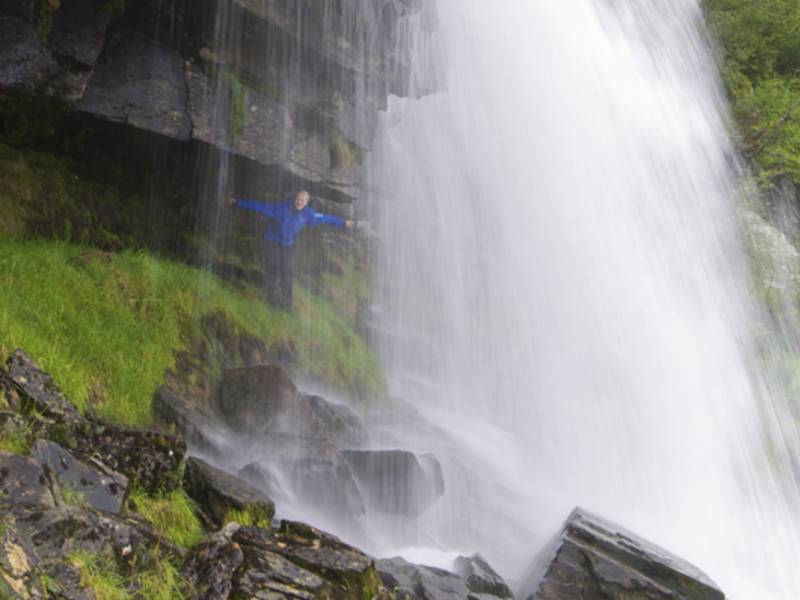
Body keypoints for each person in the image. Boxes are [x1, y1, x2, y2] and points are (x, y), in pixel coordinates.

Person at [227, 190, 353, 310]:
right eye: (298, 199)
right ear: (295, 199)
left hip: (287, 244)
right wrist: (238, 202)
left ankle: (288, 304)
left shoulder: (308, 214)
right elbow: (259, 206)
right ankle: (270, 298)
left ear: (306, 203)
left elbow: (325, 218)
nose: (299, 202)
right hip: (272, 240)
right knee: (273, 267)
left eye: (303, 201)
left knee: (287, 271)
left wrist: (342, 222)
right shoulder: (281, 208)